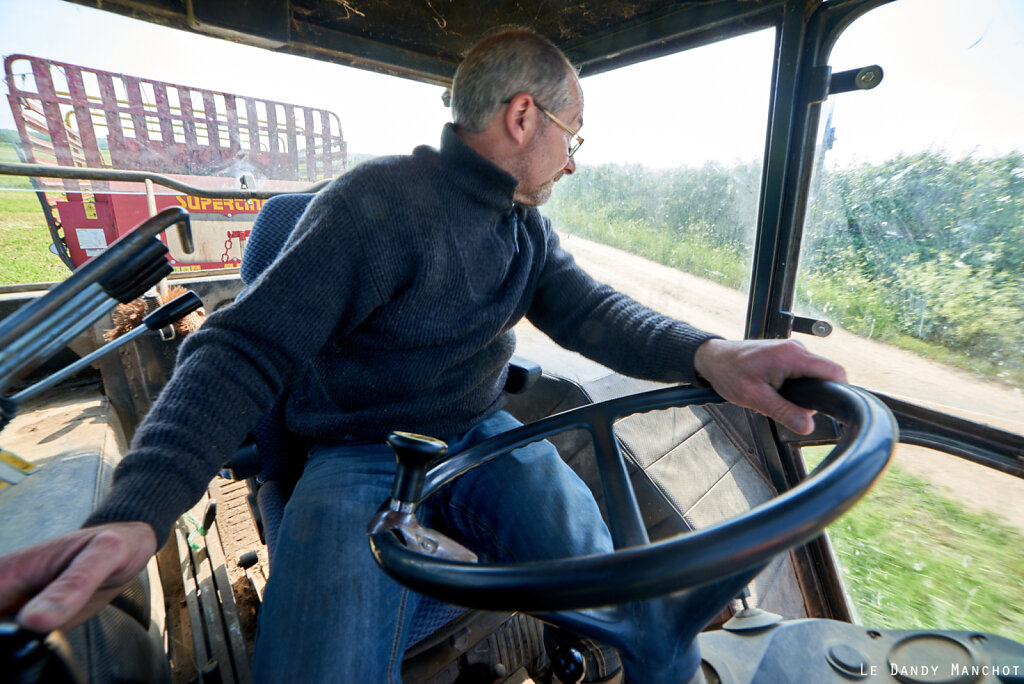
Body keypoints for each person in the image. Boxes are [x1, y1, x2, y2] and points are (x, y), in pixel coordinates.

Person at [0, 29, 846, 683]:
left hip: (483, 436)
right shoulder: (373, 207)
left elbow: (594, 312)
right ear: (524, 117)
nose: (573, 162)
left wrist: (712, 354)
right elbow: (242, 347)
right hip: (358, 454)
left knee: (625, 599)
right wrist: (139, 508)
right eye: (572, 135)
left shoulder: (525, 231)